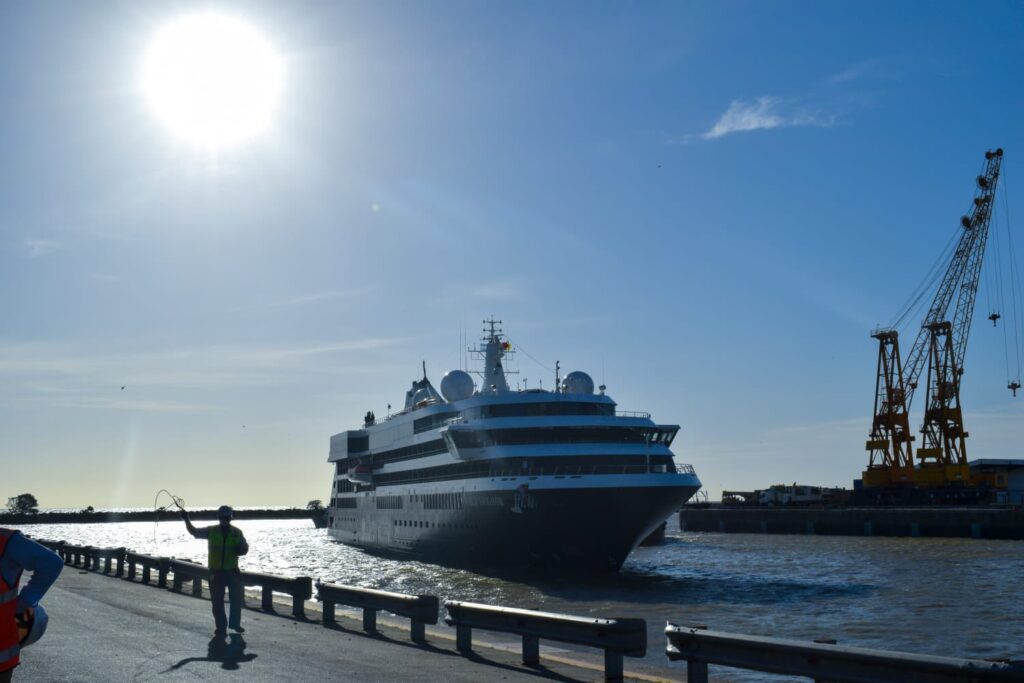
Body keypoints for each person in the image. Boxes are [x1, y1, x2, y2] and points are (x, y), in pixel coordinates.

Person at [1, 529, 63, 682]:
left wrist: (25, 601)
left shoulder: (6, 541)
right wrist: (25, 602)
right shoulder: (6, 540)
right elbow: (51, 563)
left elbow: (51, 563)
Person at [181, 506, 249, 635]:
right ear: (225, 517)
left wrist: (243, 549)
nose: (224, 520)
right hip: (219, 573)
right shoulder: (215, 531)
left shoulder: (235, 532)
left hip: (228, 572)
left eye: (225, 517)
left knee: (230, 600)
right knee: (221, 601)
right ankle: (224, 626)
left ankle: (230, 625)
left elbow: (244, 548)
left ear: (227, 518)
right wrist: (186, 519)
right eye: (223, 517)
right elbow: (194, 532)